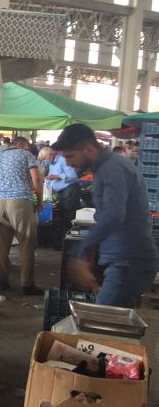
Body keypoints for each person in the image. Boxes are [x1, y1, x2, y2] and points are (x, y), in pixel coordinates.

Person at [52, 124, 158, 307]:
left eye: (70, 156)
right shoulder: (106, 168)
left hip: (128, 261)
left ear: (89, 149)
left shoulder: (112, 168)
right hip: (125, 259)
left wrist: (82, 251)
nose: (68, 163)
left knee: (100, 321)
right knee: (111, 325)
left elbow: (114, 215)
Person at [0, 136, 42, 295]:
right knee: (26, 241)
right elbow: (36, 177)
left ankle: (2, 281)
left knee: (2, 244)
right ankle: (27, 284)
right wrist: (39, 199)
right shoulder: (26, 154)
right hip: (20, 201)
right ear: (22, 145)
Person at [42, 148, 80, 243]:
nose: (43, 161)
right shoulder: (52, 163)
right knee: (62, 216)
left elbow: (73, 175)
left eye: (44, 158)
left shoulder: (62, 159)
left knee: (67, 217)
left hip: (69, 190)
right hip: (61, 192)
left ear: (50, 155)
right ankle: (60, 240)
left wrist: (56, 176)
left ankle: (66, 241)